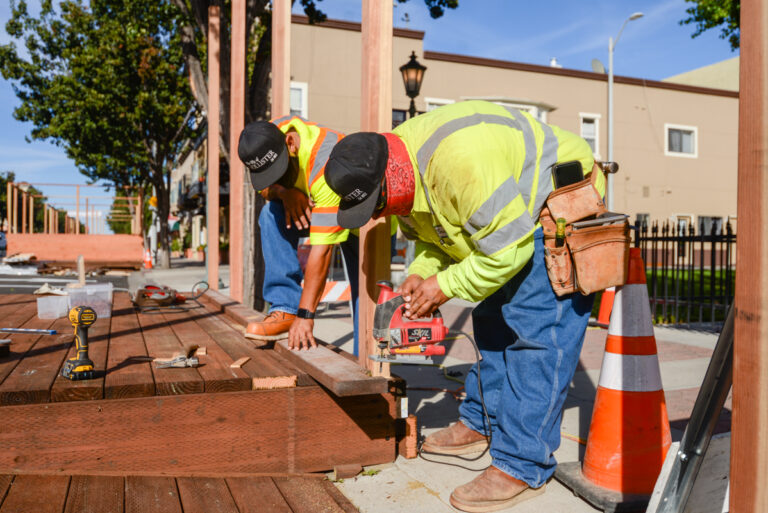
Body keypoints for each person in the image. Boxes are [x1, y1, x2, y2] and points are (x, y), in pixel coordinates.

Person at [323, 100, 605, 512]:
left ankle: (523, 464)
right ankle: (482, 422)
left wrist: (445, 286)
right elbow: (436, 234)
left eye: (379, 205)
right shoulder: (400, 164)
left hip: (556, 205)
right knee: (491, 322)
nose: (380, 215)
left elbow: (509, 250)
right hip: (508, 222)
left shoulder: (458, 163)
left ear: (393, 181)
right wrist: (422, 272)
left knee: (535, 336)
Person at [237, 116, 361, 352]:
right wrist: (284, 192)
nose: (273, 180)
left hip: (363, 219)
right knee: (270, 214)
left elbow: (322, 251)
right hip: (317, 205)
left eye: (278, 172)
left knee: (364, 305)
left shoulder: (324, 161)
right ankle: (285, 308)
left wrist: (306, 315)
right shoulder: (269, 136)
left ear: (291, 144)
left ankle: (366, 369)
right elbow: (265, 189)